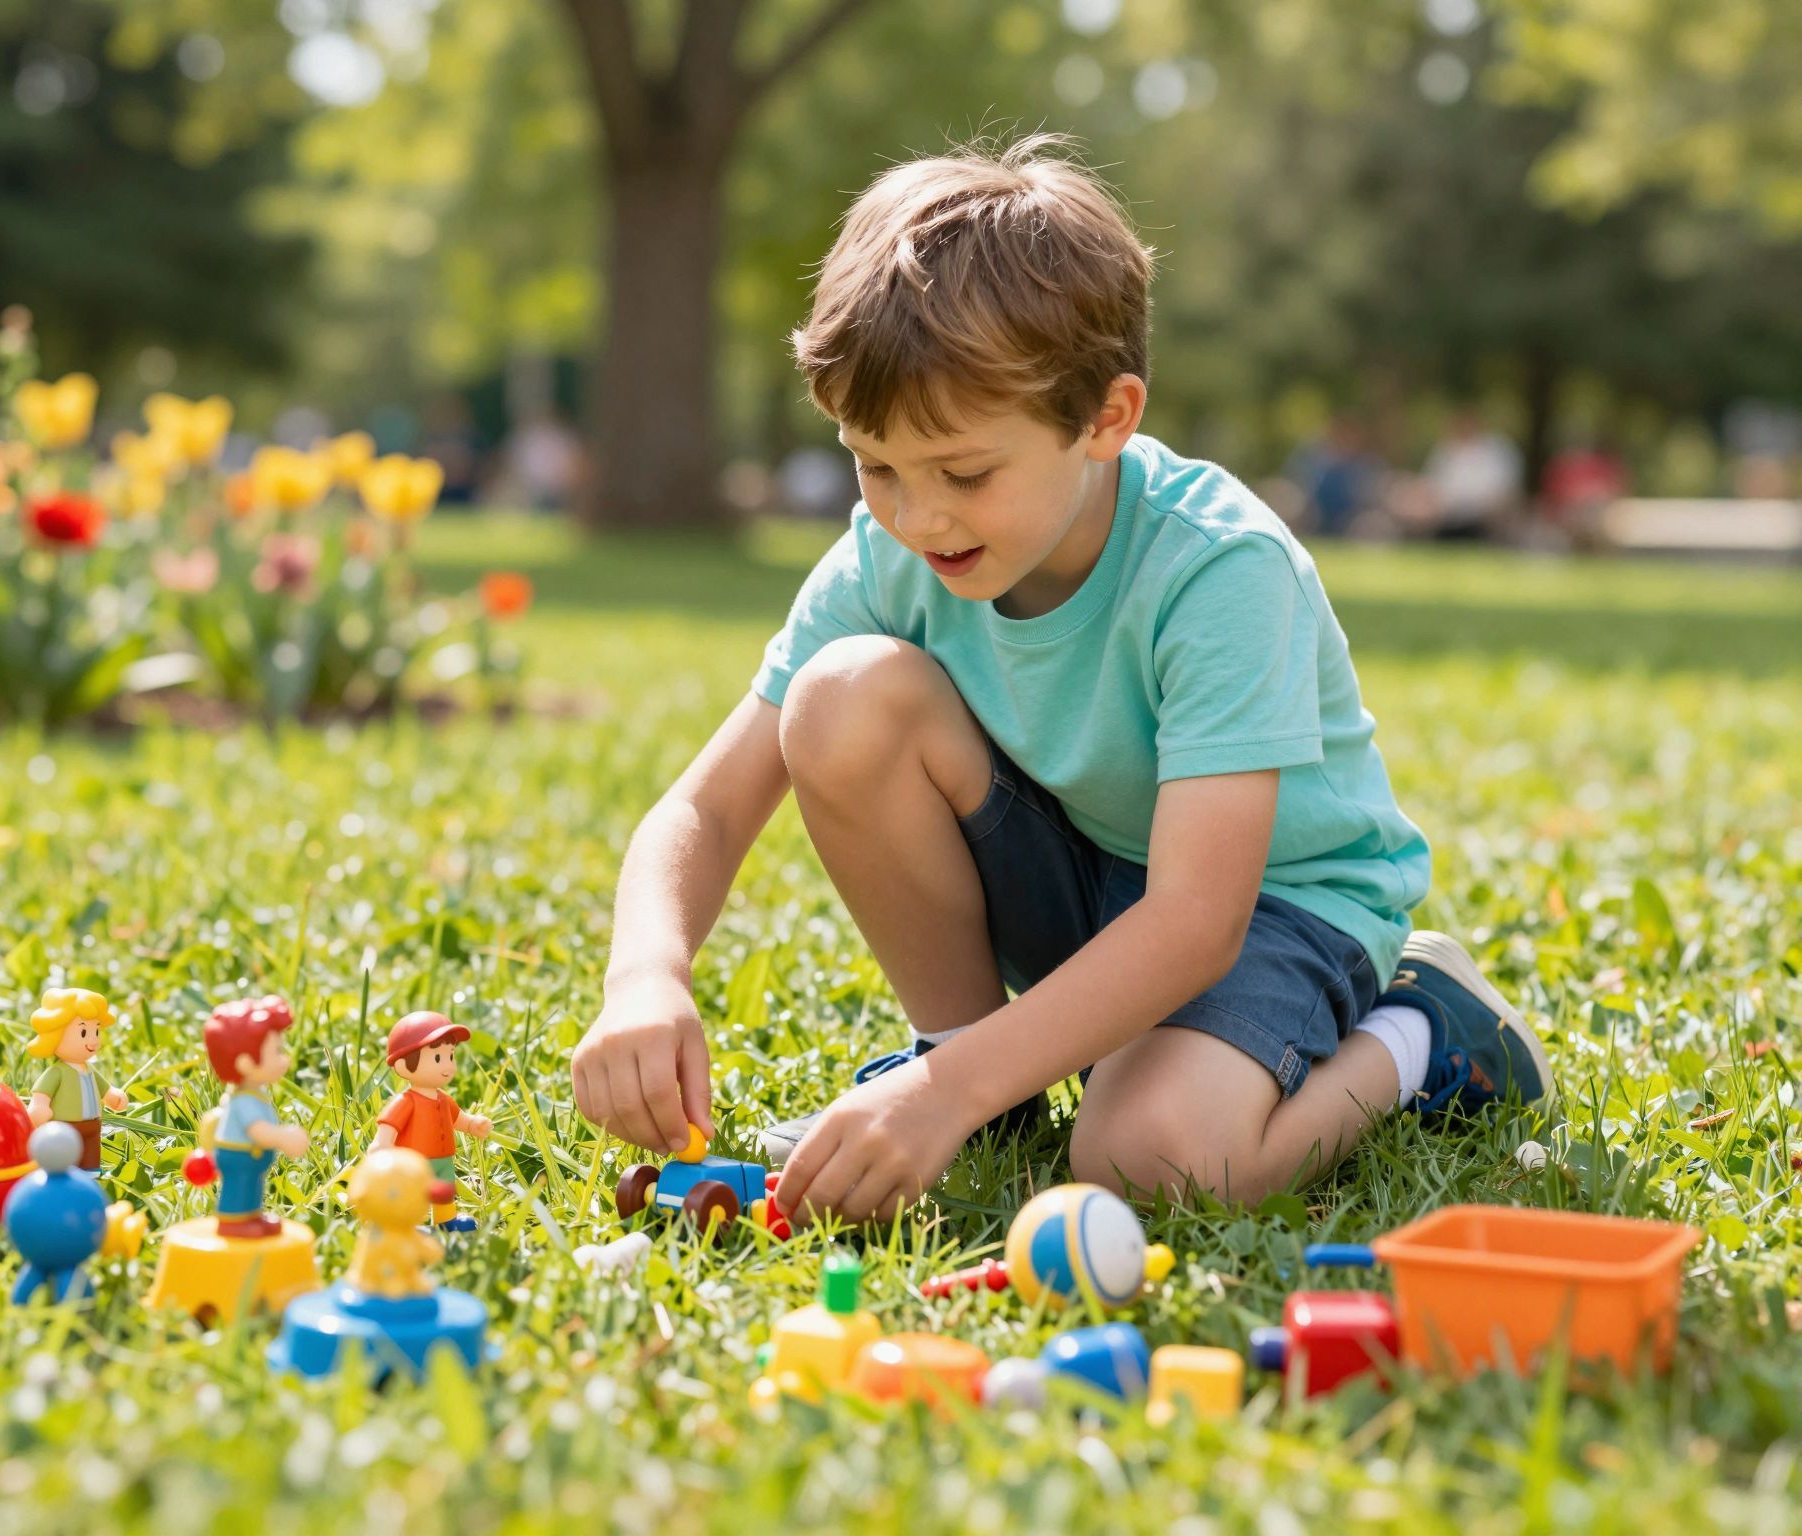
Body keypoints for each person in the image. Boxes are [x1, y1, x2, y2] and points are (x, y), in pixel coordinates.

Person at [570, 137, 1555, 1221]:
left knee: (1152, 1159)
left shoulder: (1219, 567)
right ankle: (973, 1086)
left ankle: (1422, 1034)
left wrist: (935, 1094)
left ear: (1105, 419)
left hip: (1273, 905)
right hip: (1078, 868)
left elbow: (1193, 921)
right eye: (875, 463)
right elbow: (704, 809)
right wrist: (645, 976)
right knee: (843, 696)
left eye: (964, 472)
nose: (916, 516)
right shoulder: (888, 551)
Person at [371, 1011, 493, 1230]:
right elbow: (389, 1125)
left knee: (444, 1191)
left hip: (444, 1160)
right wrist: (381, 1144)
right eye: (438, 1058)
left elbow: (458, 1119)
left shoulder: (444, 1099)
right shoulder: (406, 1101)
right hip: (413, 1162)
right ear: (403, 1064)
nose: (448, 1066)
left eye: (451, 1056)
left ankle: (446, 1221)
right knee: (412, 1192)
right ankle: (407, 1223)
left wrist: (474, 1124)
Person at [202, 995, 309, 1240]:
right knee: (239, 1189)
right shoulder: (244, 1101)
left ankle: (251, 1216)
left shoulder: (253, 1092)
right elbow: (258, 1131)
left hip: (249, 1156)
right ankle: (232, 1221)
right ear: (246, 1064)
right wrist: (284, 1137)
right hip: (238, 1155)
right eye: (277, 1051)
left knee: (251, 1187)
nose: (285, 1059)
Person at [25, 986, 128, 1171]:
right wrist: (39, 1106)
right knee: (67, 1160)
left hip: (93, 1126)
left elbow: (105, 1089)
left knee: (91, 1158)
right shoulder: (57, 1072)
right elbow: (42, 1094)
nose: (93, 1040)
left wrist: (112, 1095)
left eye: (96, 1031)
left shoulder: (89, 1070)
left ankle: (92, 1175)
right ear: (55, 1036)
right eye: (83, 1032)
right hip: (65, 1128)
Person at [1422, 409, 1524, 539]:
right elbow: (1432, 484)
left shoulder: (1498, 450)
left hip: (1484, 510)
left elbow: (1504, 488)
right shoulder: (1445, 451)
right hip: (1447, 511)